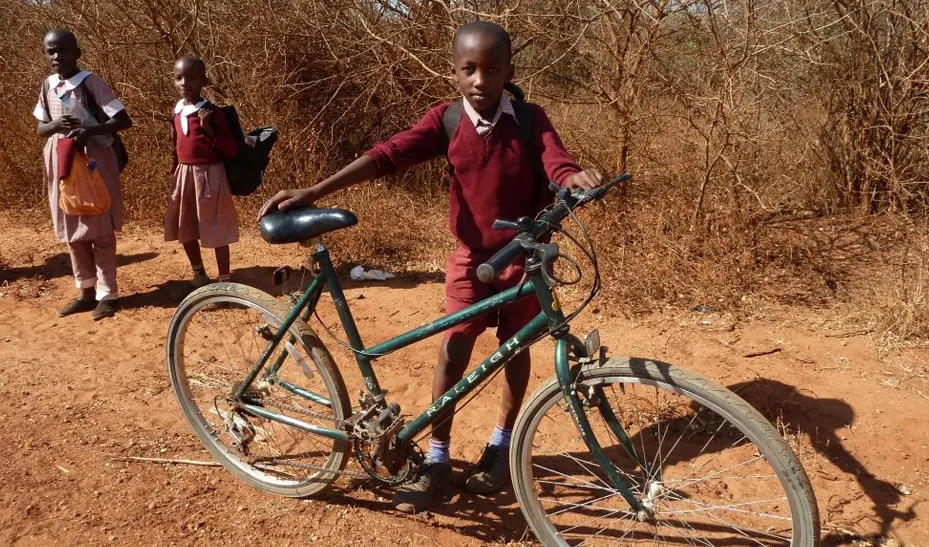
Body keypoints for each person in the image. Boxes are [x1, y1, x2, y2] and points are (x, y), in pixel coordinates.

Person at [258, 21, 604, 512]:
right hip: (471, 260)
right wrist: (316, 190)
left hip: (524, 256)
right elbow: (389, 155)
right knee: (454, 347)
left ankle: (502, 446)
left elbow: (558, 163)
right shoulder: (447, 120)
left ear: (509, 71)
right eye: (470, 69)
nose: (481, 80)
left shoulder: (530, 119)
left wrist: (573, 180)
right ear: (454, 72)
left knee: (516, 348)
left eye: (492, 69)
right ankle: (437, 457)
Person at [34, 29, 133, 320]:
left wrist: (88, 130)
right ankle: (86, 292)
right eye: (51, 51)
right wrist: (56, 125)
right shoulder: (48, 85)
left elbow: (122, 120)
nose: (57, 56)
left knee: (100, 228)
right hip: (62, 163)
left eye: (63, 50)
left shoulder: (91, 83)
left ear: (77, 52)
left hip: (94, 164)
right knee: (72, 228)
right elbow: (41, 128)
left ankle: (108, 294)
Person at [164, 56, 240, 287]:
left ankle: (224, 280)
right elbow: (176, 143)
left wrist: (208, 129)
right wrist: (175, 169)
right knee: (185, 226)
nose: (184, 83)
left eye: (191, 78)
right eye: (178, 78)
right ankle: (199, 274)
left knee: (216, 227)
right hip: (184, 175)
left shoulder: (212, 112)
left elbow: (231, 149)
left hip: (210, 176)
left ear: (203, 81)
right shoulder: (177, 111)